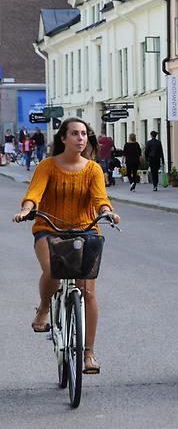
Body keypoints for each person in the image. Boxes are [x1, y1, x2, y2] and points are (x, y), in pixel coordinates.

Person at [12, 117, 120, 375]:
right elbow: (35, 193)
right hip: (48, 229)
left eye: (83, 134)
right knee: (53, 270)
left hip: (84, 230)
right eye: (75, 134)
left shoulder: (93, 169)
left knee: (89, 293)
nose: (80, 138)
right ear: (63, 138)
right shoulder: (48, 166)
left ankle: (89, 354)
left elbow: (99, 198)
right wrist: (27, 209)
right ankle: (44, 308)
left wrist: (107, 212)